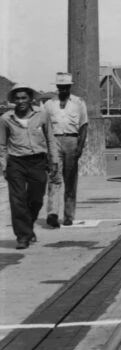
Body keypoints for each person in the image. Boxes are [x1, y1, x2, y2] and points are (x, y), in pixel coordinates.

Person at [0, 85, 61, 249]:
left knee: (36, 199)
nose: (20, 101)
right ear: (13, 100)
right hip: (16, 162)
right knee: (17, 200)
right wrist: (4, 166)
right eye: (17, 98)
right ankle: (23, 236)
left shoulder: (42, 114)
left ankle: (27, 226)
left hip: (37, 162)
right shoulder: (6, 119)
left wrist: (54, 161)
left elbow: (50, 139)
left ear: (30, 99)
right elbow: (2, 145)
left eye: (24, 98)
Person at [42, 72, 89, 227]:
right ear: (57, 87)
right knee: (54, 177)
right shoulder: (49, 104)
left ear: (70, 87)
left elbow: (83, 125)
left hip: (72, 140)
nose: (63, 90)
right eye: (60, 87)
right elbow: (44, 127)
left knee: (70, 180)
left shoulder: (79, 103)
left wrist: (80, 146)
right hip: (54, 140)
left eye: (65, 87)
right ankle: (52, 214)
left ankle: (69, 215)